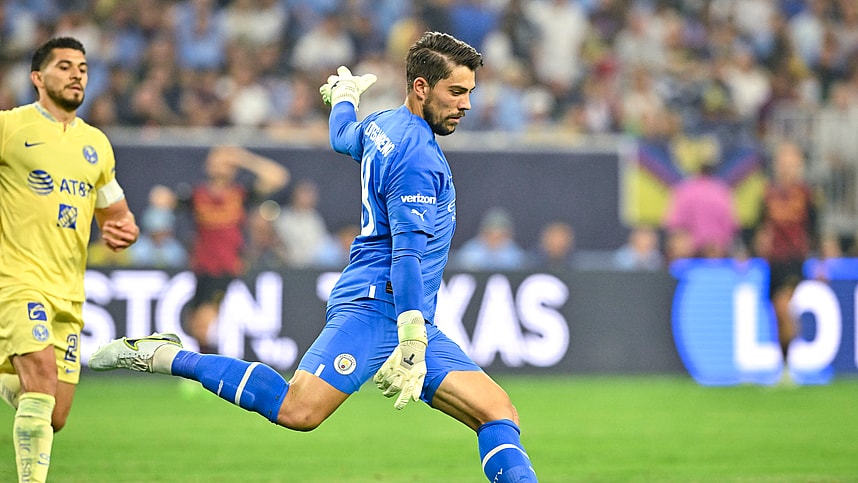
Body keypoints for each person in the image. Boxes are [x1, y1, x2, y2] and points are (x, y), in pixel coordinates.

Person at [90, 31, 538, 483]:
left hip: (400, 309)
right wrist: (412, 338)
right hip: (379, 306)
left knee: (497, 411)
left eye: (469, 93)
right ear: (421, 87)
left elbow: (344, 137)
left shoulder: (384, 125)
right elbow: (407, 255)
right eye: (456, 92)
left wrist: (343, 98)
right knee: (297, 410)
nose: (465, 104)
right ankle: (165, 355)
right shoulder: (417, 154)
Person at [0, 37, 139, 483]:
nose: (77, 73)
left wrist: (124, 229)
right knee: (39, 379)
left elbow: (115, 211)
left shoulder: (96, 144)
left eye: (82, 67)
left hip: (68, 290)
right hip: (15, 278)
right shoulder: (10, 128)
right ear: (37, 79)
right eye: (64, 66)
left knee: (53, 413)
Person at [182, 144, 289, 353]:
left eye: (225, 161)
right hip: (201, 265)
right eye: (216, 160)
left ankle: (204, 368)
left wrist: (243, 158)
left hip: (226, 266)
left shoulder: (241, 194)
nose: (221, 165)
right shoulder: (196, 195)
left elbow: (278, 177)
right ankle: (202, 365)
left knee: (205, 319)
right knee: (194, 322)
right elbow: (168, 202)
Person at [753, 141, 819, 385]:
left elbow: (814, 227)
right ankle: (785, 366)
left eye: (792, 163)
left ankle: (788, 366)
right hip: (774, 261)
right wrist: (754, 246)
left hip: (794, 259)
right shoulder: (767, 193)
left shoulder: (806, 194)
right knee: (776, 316)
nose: (787, 168)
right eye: (784, 163)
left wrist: (821, 257)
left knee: (783, 307)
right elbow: (758, 226)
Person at [663, 156, 739, 259]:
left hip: (691, 252)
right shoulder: (723, 191)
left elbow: (672, 223)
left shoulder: (684, 189)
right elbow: (733, 225)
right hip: (715, 252)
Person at [453, 206, 528, 270]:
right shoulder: (470, 252)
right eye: (490, 234)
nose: (495, 240)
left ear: (508, 236)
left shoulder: (515, 254)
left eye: (500, 236)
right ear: (482, 233)